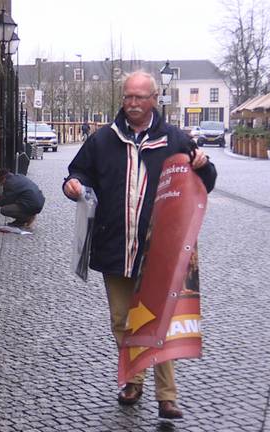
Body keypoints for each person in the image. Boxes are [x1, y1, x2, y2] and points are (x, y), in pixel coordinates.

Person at [62, 71, 217, 419]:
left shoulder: (174, 139)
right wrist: (72, 184)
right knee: (122, 320)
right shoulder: (104, 140)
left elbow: (205, 180)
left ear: (154, 98)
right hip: (115, 245)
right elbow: (79, 173)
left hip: (159, 250)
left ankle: (167, 396)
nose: (132, 104)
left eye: (139, 97)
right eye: (127, 97)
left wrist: (203, 167)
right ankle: (133, 380)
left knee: (159, 320)